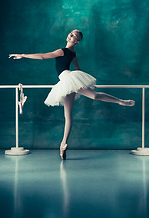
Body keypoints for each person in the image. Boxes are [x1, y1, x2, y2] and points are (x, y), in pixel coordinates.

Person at [9, 29, 135, 160]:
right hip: (66, 82)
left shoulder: (63, 51)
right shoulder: (72, 52)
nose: (71, 35)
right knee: (68, 116)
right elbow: (78, 69)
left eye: (75, 35)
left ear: (77, 41)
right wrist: (84, 82)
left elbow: (43, 56)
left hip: (69, 78)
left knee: (94, 96)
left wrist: (23, 55)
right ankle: (63, 144)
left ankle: (121, 101)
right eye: (71, 33)